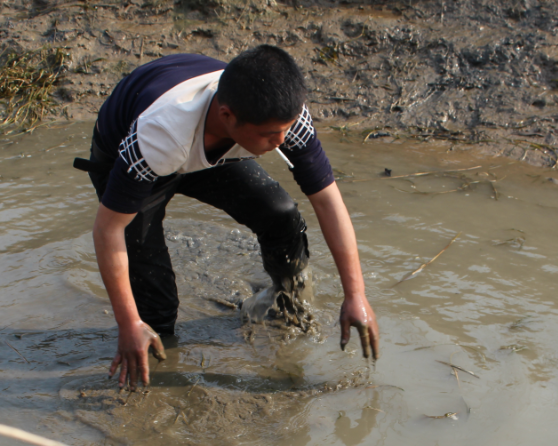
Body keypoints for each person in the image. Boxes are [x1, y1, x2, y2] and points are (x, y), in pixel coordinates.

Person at [74, 45, 379, 390]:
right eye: (269, 135)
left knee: (280, 215)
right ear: (228, 116)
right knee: (156, 306)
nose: (281, 141)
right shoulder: (160, 135)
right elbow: (107, 230)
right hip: (134, 155)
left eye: (285, 128)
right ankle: (155, 384)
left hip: (208, 145)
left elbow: (327, 201)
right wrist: (128, 322)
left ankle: (287, 306)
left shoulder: (282, 118)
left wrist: (355, 295)